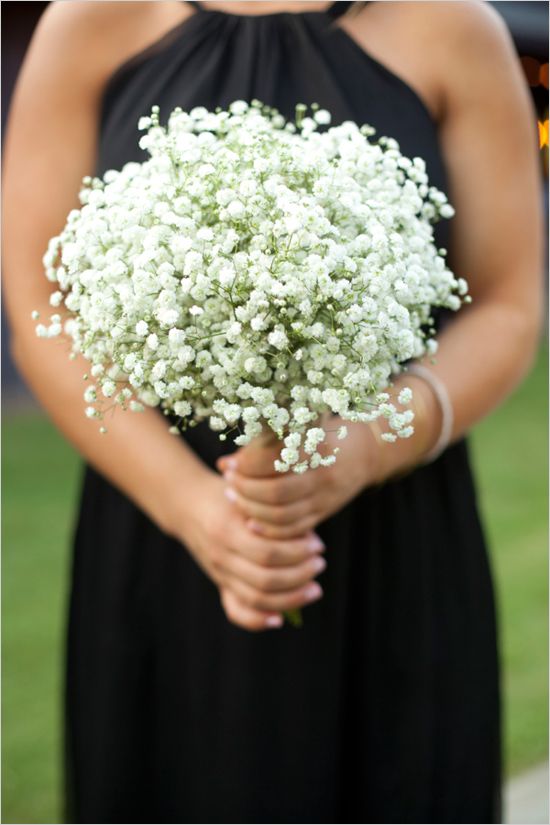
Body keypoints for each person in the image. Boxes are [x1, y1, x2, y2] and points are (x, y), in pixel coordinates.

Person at [3, 1, 542, 822]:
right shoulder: (91, 19)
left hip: (388, 537)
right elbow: (42, 305)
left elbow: (505, 304)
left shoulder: (452, 25)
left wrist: (361, 450)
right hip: (160, 532)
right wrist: (197, 514)